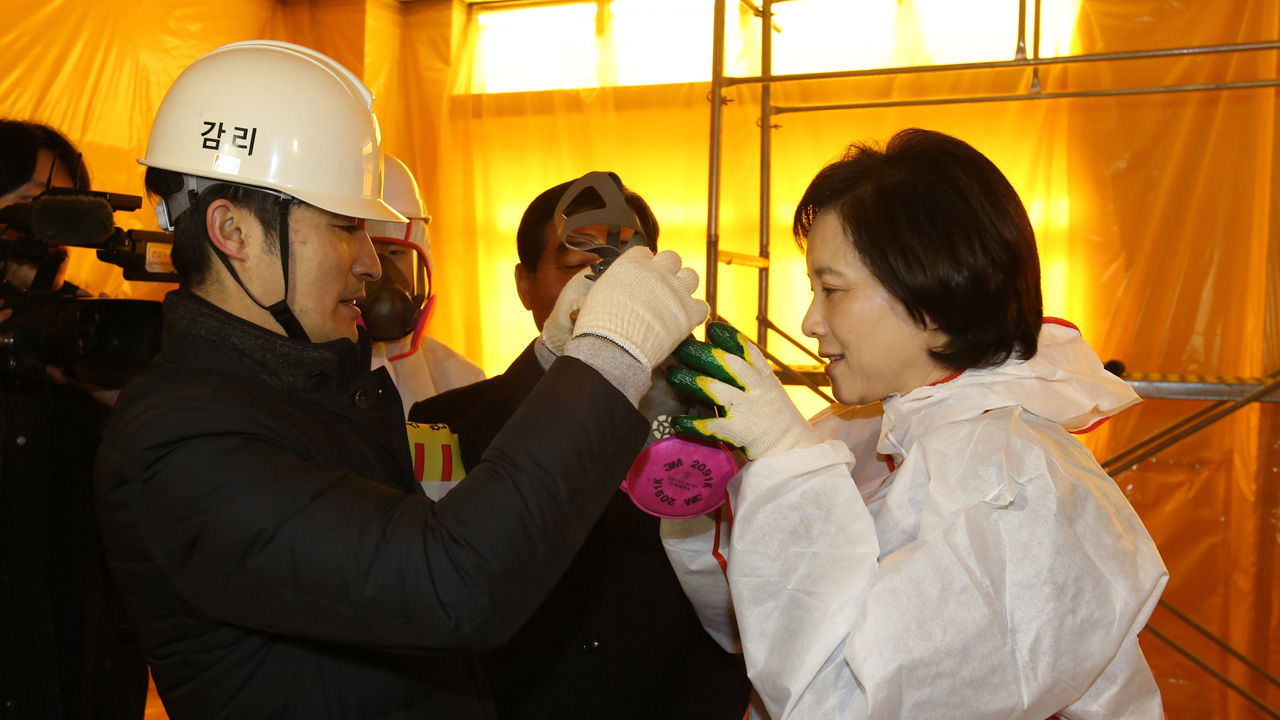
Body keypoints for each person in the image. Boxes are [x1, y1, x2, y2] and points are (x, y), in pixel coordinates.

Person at [93, 40, 708, 719]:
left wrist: (552, 365)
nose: (367, 263)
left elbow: (458, 501)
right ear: (231, 229)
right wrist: (608, 358)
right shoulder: (183, 444)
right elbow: (453, 581)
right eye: (345, 228)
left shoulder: (298, 391)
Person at [661, 128, 1168, 719]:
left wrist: (784, 462)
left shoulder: (1011, 480)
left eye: (832, 290)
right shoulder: (872, 424)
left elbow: (847, 705)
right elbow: (744, 622)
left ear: (935, 303)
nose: (808, 321)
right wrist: (701, 470)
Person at [408, 174, 751, 719]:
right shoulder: (442, 422)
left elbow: (745, 600)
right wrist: (558, 357)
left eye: (628, 273)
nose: (605, 291)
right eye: (577, 269)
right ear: (524, 285)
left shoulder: (716, 419)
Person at [0, 119, 148, 719]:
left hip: (78, 666)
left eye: (65, 211)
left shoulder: (81, 337)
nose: (47, 233)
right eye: (33, 203)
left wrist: (130, 404)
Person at [360, 154, 484, 415]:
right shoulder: (319, 375)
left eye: (396, 253)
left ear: (424, 264)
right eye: (369, 252)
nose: (380, 270)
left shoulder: (462, 380)